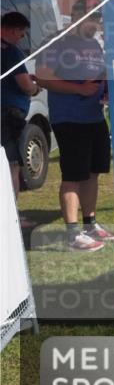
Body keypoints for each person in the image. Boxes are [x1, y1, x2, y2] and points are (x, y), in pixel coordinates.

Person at [35, 0, 114, 251]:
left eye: (99, 18)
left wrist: (105, 87)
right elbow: (43, 77)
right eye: (93, 18)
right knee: (73, 175)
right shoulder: (56, 42)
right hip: (69, 118)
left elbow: (98, 73)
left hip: (95, 116)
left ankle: (90, 224)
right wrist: (78, 88)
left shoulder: (94, 44)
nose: (97, 24)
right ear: (77, 15)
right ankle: (73, 234)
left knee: (93, 172)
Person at [1, 12, 41, 227]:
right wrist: (36, 88)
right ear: (12, 29)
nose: (22, 38)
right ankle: (12, 216)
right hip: (8, 115)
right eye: (22, 33)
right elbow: (25, 85)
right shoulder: (12, 51)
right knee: (12, 165)